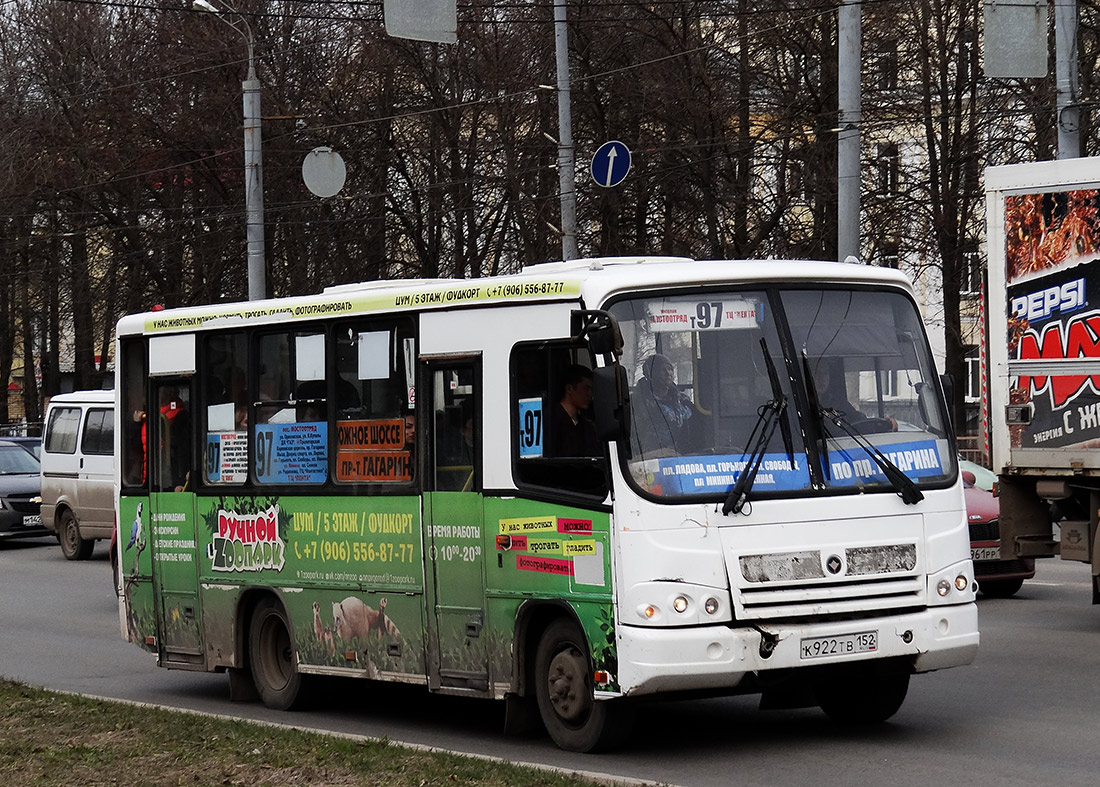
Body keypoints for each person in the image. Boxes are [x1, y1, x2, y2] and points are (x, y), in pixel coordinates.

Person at [633, 354, 692, 455]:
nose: (668, 373)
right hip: (648, 456)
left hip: (677, 455)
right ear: (650, 374)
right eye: (662, 369)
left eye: (670, 369)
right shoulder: (640, 400)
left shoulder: (681, 399)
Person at [547, 364, 600, 457]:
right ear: (569, 389)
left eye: (592, 390)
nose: (590, 394)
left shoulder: (586, 426)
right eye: (586, 388)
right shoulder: (550, 421)